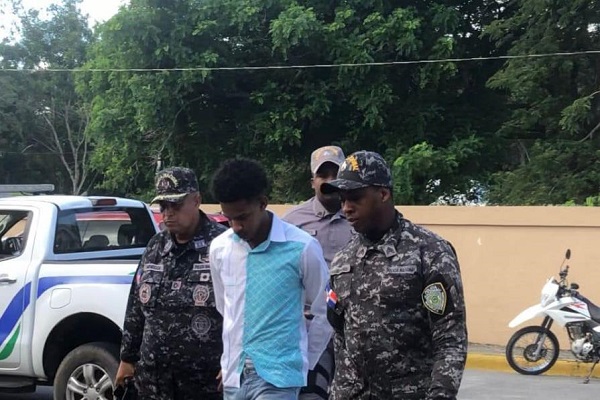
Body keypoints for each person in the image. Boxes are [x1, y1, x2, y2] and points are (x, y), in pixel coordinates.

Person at [321, 151, 468, 400]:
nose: (346, 208)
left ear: (383, 194)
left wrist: (441, 394)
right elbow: (339, 332)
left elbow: (450, 336)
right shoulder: (343, 259)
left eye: (355, 198)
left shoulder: (428, 252)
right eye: (343, 199)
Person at [209, 158, 331, 400]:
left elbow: (325, 310)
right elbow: (227, 308)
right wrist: (231, 362)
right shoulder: (220, 248)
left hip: (279, 380)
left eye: (242, 217)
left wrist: (304, 362)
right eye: (229, 218)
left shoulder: (302, 247)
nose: (236, 226)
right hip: (234, 377)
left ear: (263, 203)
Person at [116, 167, 227, 400]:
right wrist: (127, 359)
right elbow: (136, 307)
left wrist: (234, 362)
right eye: (163, 206)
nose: (167, 213)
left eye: (175, 205)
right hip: (153, 382)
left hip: (205, 384)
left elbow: (242, 311)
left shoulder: (223, 245)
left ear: (196, 200)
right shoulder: (155, 246)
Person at [282, 145, 353, 400]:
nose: (329, 181)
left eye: (335, 174)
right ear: (312, 181)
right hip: (311, 328)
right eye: (323, 175)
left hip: (353, 327)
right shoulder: (292, 222)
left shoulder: (360, 217)